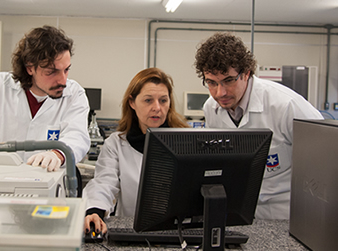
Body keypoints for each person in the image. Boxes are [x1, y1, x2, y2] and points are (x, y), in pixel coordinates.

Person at [194, 32, 324, 220]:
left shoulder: (286, 105)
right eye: (211, 83)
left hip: (288, 213)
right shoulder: (211, 108)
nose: (220, 92)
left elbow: (326, 163)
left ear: (246, 73)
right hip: (241, 210)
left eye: (228, 80)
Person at [0, 25, 90, 171]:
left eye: (66, 69)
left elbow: (77, 137)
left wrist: (58, 154)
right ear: (30, 68)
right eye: (51, 71)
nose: (62, 81)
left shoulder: (74, 94)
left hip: (48, 178)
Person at [82, 68, 189, 234]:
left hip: (181, 232)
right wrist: (94, 211)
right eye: (148, 100)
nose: (157, 108)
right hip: (132, 231)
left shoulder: (186, 141)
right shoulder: (117, 144)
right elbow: (104, 182)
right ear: (132, 102)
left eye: (163, 100)